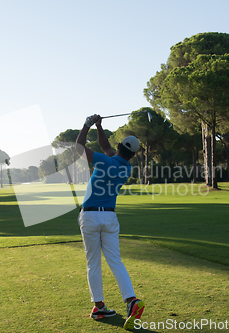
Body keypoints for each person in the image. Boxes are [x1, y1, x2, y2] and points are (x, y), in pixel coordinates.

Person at [75, 114, 145, 330]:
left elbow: (78, 148)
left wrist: (86, 124)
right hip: (110, 216)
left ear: (119, 146)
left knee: (93, 262)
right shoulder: (125, 168)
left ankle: (99, 306)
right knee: (115, 261)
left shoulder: (105, 160)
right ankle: (131, 300)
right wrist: (99, 126)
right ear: (133, 154)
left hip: (90, 215)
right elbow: (105, 146)